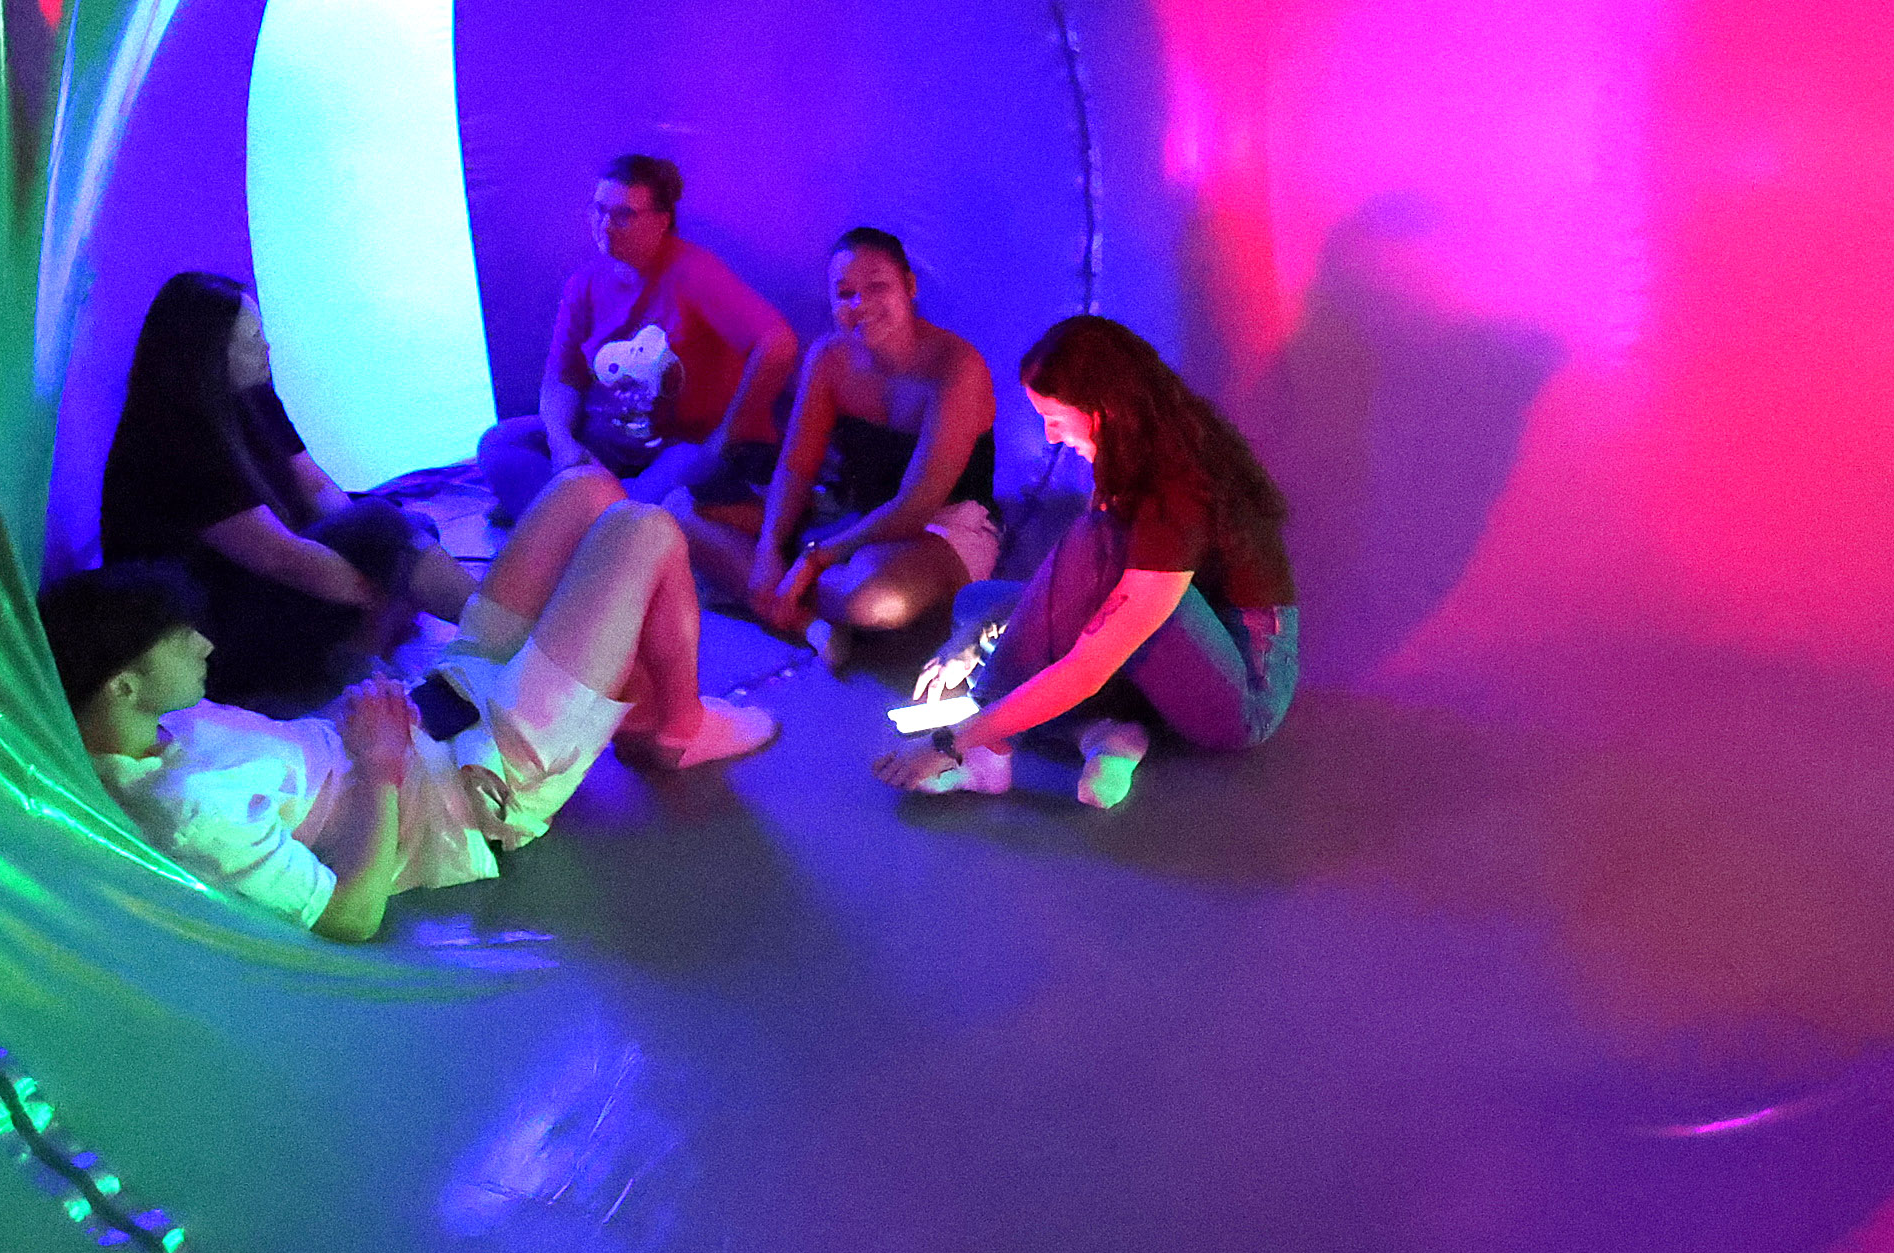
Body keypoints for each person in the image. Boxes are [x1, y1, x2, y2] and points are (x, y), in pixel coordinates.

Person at [45, 467, 776, 941]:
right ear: (123, 684)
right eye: (180, 642)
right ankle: (679, 727)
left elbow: (305, 763)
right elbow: (351, 915)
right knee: (645, 530)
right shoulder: (188, 812)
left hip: (441, 703)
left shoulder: (164, 722)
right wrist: (384, 765)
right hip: (484, 781)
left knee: (587, 490)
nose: (205, 645)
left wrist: (364, 705)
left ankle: (628, 693)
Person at [876, 314, 1298, 810]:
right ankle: (1106, 736)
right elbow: (1066, 594)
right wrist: (971, 638)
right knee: (979, 601)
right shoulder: (1133, 446)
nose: (1051, 437)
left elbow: (1089, 664)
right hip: (1171, 636)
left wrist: (951, 739)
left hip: (1241, 694)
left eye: (1056, 418)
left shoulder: (1176, 487)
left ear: (1103, 410)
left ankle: (988, 750)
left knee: (1092, 557)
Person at [100, 270, 480, 712]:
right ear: (208, 354)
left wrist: (380, 553)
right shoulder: (173, 439)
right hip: (210, 638)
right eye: (252, 338)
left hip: (261, 586)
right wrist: (383, 588)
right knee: (384, 534)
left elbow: (315, 486)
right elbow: (283, 560)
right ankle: (491, 629)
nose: (267, 347)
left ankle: (431, 637)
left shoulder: (252, 397)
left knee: (402, 526)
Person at [687, 226, 998, 647]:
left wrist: (815, 558)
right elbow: (797, 467)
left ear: (909, 286)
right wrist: (768, 549)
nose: (860, 304)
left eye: (876, 288)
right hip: (850, 510)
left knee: (871, 598)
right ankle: (811, 625)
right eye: (845, 293)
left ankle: (787, 599)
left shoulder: (957, 367)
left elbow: (917, 503)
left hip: (940, 525)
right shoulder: (829, 358)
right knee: (683, 513)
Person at [471, 153, 800, 526]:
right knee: (500, 443)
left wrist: (725, 437)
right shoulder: (585, 283)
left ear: (661, 222)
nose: (606, 226)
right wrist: (564, 443)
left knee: (680, 480)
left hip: (679, 450)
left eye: (623, 215)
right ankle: (587, 523)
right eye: (599, 211)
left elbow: (777, 344)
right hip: (606, 448)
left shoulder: (694, 273)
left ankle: (569, 522)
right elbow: (563, 379)